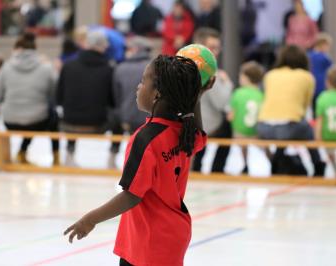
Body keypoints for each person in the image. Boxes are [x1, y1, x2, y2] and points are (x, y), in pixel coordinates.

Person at [64, 54, 214, 266]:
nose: (138, 87)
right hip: (172, 235)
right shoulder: (183, 131)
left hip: (147, 241)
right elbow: (199, 131)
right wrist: (196, 95)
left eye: (144, 81)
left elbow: (132, 195)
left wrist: (90, 219)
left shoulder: (145, 139)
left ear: (157, 94)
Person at [0, 32, 59, 165]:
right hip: (38, 121)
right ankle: (56, 158)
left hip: (10, 121)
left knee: (30, 117)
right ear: (35, 50)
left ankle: (21, 152)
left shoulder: (6, 68)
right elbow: (54, 95)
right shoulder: (46, 68)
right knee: (51, 117)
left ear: (17, 49)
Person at [257, 45, 326, 176]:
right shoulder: (307, 77)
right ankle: (317, 165)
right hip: (289, 126)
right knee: (306, 131)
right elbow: (304, 107)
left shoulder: (270, 75)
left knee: (283, 131)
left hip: (264, 126)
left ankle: (276, 162)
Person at [57, 28, 113, 166]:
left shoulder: (68, 66)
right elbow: (112, 101)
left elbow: (58, 97)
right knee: (118, 116)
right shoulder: (109, 69)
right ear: (103, 46)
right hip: (98, 124)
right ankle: (112, 158)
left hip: (69, 122)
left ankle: (69, 154)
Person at [191, 27, 233, 173]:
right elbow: (221, 103)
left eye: (217, 48)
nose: (215, 52)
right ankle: (217, 170)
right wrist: (227, 82)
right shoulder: (208, 69)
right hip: (204, 126)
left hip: (187, 122)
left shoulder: (185, 65)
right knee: (229, 126)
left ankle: (198, 166)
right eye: (212, 47)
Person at [108, 37, 152, 168]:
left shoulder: (120, 68)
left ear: (135, 49)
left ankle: (112, 156)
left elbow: (116, 96)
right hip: (147, 117)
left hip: (125, 116)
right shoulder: (154, 68)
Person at [228, 61, 264, 174]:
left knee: (238, 135)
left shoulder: (238, 93)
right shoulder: (261, 95)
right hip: (256, 133)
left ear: (246, 77)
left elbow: (231, 116)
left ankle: (245, 163)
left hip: (240, 134)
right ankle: (272, 159)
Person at [308, 33, 333, 115]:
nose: (328, 48)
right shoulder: (324, 57)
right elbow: (330, 67)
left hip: (312, 85)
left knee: (314, 108)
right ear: (322, 45)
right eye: (327, 46)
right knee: (321, 108)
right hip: (321, 85)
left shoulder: (309, 55)